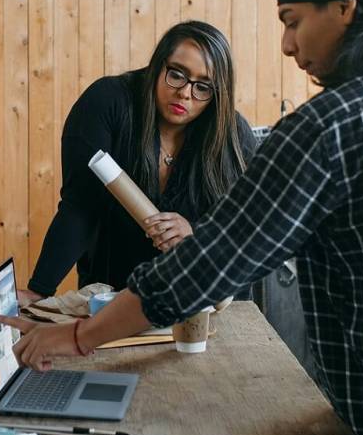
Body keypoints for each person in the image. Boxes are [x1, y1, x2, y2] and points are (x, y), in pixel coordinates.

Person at [0, 0, 363, 435]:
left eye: (292, 20)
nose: (287, 45)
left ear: (345, 8)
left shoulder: (328, 127)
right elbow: (79, 207)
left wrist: (79, 337)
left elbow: (207, 265)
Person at [19, 21, 257, 305]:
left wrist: (197, 234)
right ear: (158, 64)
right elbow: (80, 206)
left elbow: (248, 228)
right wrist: (39, 289)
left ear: (216, 94)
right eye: (177, 74)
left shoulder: (232, 135)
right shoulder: (107, 103)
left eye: (202, 87)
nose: (185, 93)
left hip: (203, 303)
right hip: (114, 297)